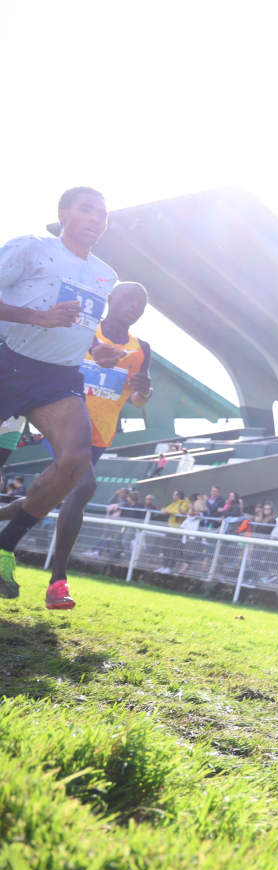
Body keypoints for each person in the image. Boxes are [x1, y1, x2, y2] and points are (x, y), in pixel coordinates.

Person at [0, 187, 128, 603]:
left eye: (102, 214)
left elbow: (80, 323)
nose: (95, 219)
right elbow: (46, 314)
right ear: (63, 213)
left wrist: (97, 350)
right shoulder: (30, 248)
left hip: (58, 378)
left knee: (75, 463)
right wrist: (38, 317)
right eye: (86, 210)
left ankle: (4, 548)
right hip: (9, 362)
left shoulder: (106, 274)